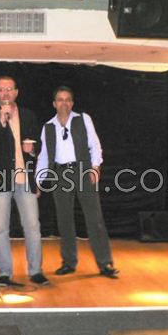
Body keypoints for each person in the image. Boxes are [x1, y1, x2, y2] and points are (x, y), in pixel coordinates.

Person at [36, 86, 118, 279]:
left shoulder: (83, 119)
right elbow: (44, 156)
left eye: (67, 99)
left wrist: (95, 166)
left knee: (94, 218)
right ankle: (69, 262)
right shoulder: (48, 126)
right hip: (60, 174)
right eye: (60, 100)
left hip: (82, 171)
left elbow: (94, 144)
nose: (64, 103)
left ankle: (105, 263)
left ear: (72, 103)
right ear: (54, 104)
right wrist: (38, 181)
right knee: (64, 220)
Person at [0, 76, 49, 286]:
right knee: (0, 228)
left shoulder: (28, 115)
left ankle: (35, 270)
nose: (6, 93)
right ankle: (4, 272)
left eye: (9, 89)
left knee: (33, 226)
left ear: (16, 92)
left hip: (24, 179)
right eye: (1, 90)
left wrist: (32, 149)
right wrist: (0, 122)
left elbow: (39, 146)